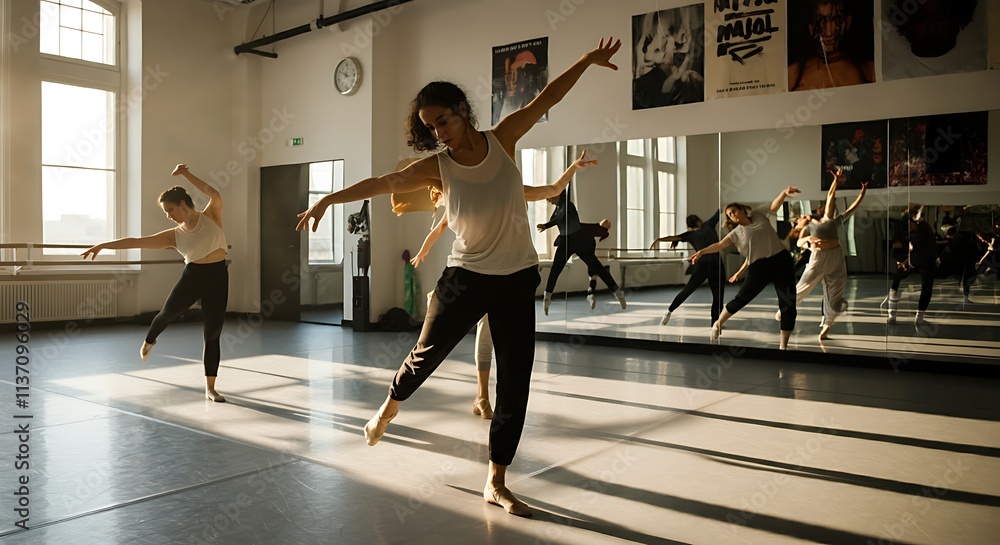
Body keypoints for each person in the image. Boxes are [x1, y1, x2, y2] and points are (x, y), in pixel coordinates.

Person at [296, 37, 622, 518]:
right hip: (465, 277)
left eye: (443, 121)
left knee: (516, 382)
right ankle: (391, 403)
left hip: (515, 280)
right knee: (424, 357)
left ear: (462, 110)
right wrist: (327, 199)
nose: (439, 133)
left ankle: (496, 480)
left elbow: (546, 97)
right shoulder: (438, 168)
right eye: (430, 128)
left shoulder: (504, 137)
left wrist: (588, 61)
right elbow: (383, 182)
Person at [409, 152, 594, 421]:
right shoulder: (464, 197)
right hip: (476, 274)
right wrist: (423, 251)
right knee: (477, 335)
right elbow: (437, 230)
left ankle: (484, 398)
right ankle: (482, 396)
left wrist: (572, 168)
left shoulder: (510, 189)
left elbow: (552, 189)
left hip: (509, 274)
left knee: (497, 340)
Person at [82, 164, 229, 402]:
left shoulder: (211, 215)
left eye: (170, 210)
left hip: (218, 276)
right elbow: (136, 241)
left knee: (213, 334)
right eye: (165, 212)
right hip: (193, 276)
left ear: (183, 203)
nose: (168, 215)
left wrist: (186, 174)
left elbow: (214, 193)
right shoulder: (174, 235)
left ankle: (210, 388)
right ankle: (150, 340)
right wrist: (103, 245)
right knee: (167, 314)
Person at [690, 186, 801, 350]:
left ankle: (783, 346)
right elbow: (720, 245)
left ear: (742, 210)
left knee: (788, 302)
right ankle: (718, 323)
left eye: (733, 211)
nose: (732, 215)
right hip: (759, 267)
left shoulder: (758, 214)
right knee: (742, 298)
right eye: (729, 215)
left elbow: (773, 207)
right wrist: (701, 252)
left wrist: (784, 193)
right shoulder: (736, 233)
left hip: (781, 261)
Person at [785, 173, 867, 339]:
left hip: (836, 255)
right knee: (804, 285)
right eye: (800, 218)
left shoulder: (830, 220)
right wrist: (808, 241)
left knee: (834, 291)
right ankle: (785, 308)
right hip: (819, 257)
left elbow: (848, 208)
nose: (802, 217)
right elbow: (800, 243)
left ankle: (827, 325)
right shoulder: (808, 226)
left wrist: (861, 194)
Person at [539, 187, 625, 315]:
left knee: (597, 267)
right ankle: (547, 298)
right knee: (555, 270)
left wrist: (546, 225)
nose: (549, 201)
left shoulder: (567, 205)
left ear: (556, 195)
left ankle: (617, 292)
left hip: (578, 240)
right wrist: (547, 224)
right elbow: (556, 218)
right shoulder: (557, 209)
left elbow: (559, 218)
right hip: (566, 241)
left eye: (549, 198)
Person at [649, 210, 724, 326]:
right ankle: (715, 323)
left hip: (702, 265)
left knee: (688, 290)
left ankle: (669, 311)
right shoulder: (708, 225)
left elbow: (673, 237)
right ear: (698, 221)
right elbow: (719, 212)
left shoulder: (690, 235)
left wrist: (659, 240)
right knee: (718, 295)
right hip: (716, 264)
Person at [789, 0, 875, 91]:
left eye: (836, 20)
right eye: (820, 22)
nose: (829, 32)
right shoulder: (795, 72)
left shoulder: (868, 70)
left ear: (847, 22)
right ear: (811, 28)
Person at [888, 205, 937, 324]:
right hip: (919, 259)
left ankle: (914, 316)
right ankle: (893, 314)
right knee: (897, 282)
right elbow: (907, 249)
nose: (909, 227)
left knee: (926, 287)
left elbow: (916, 248)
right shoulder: (914, 231)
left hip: (924, 260)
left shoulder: (922, 229)